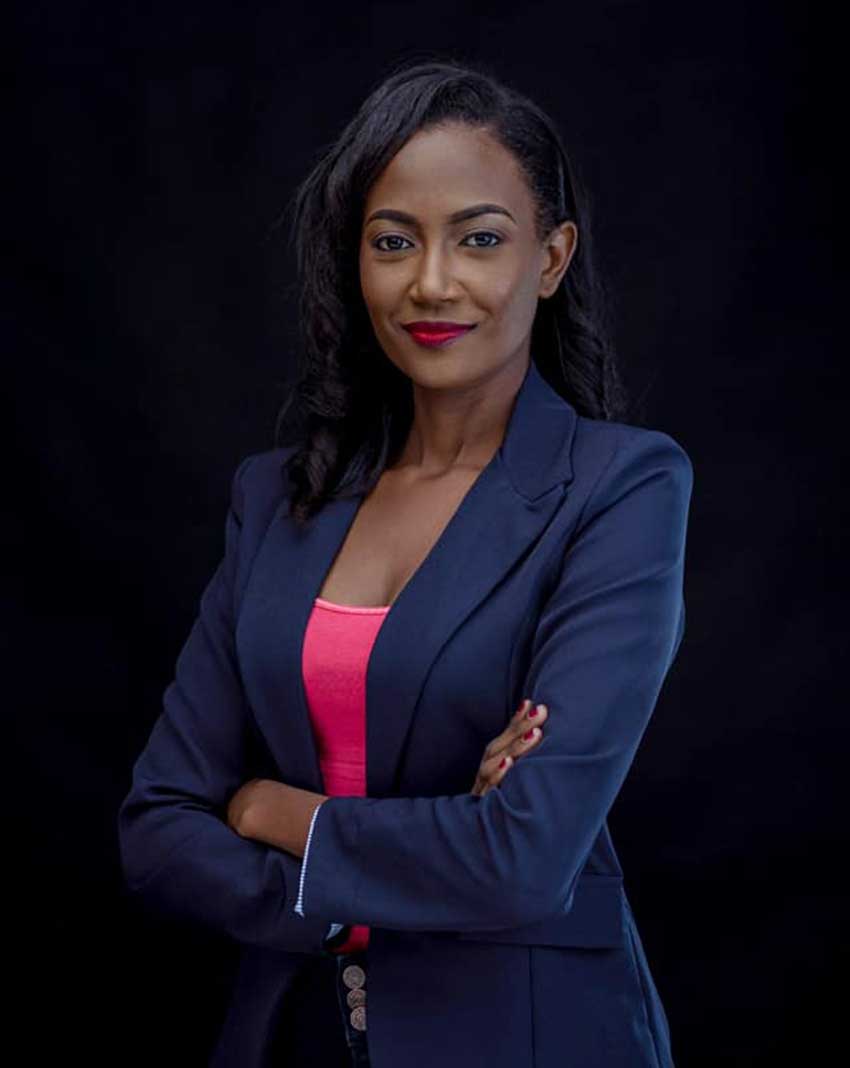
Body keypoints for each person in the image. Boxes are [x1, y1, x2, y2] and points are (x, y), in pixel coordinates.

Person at [117, 56, 693, 1068]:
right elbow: (159, 826)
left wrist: (270, 811)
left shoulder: (620, 488)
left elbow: (522, 859)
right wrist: (355, 897)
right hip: (290, 1032)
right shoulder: (277, 498)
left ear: (551, 257)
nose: (431, 281)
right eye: (393, 241)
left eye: (480, 238)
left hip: (523, 1039)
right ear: (356, 261)